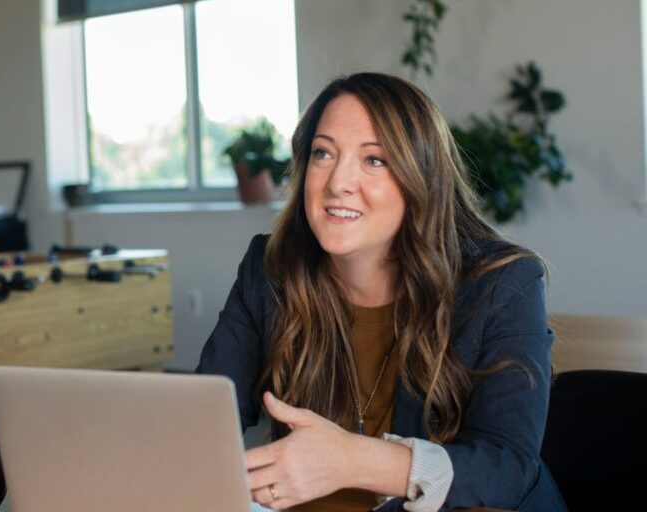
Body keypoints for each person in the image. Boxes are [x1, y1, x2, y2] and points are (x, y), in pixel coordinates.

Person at [196, 72, 566, 511]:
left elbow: (506, 469)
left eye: (374, 160)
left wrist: (353, 461)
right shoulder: (271, 268)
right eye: (323, 153)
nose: (338, 183)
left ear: (421, 177)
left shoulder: (501, 283)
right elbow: (203, 421)